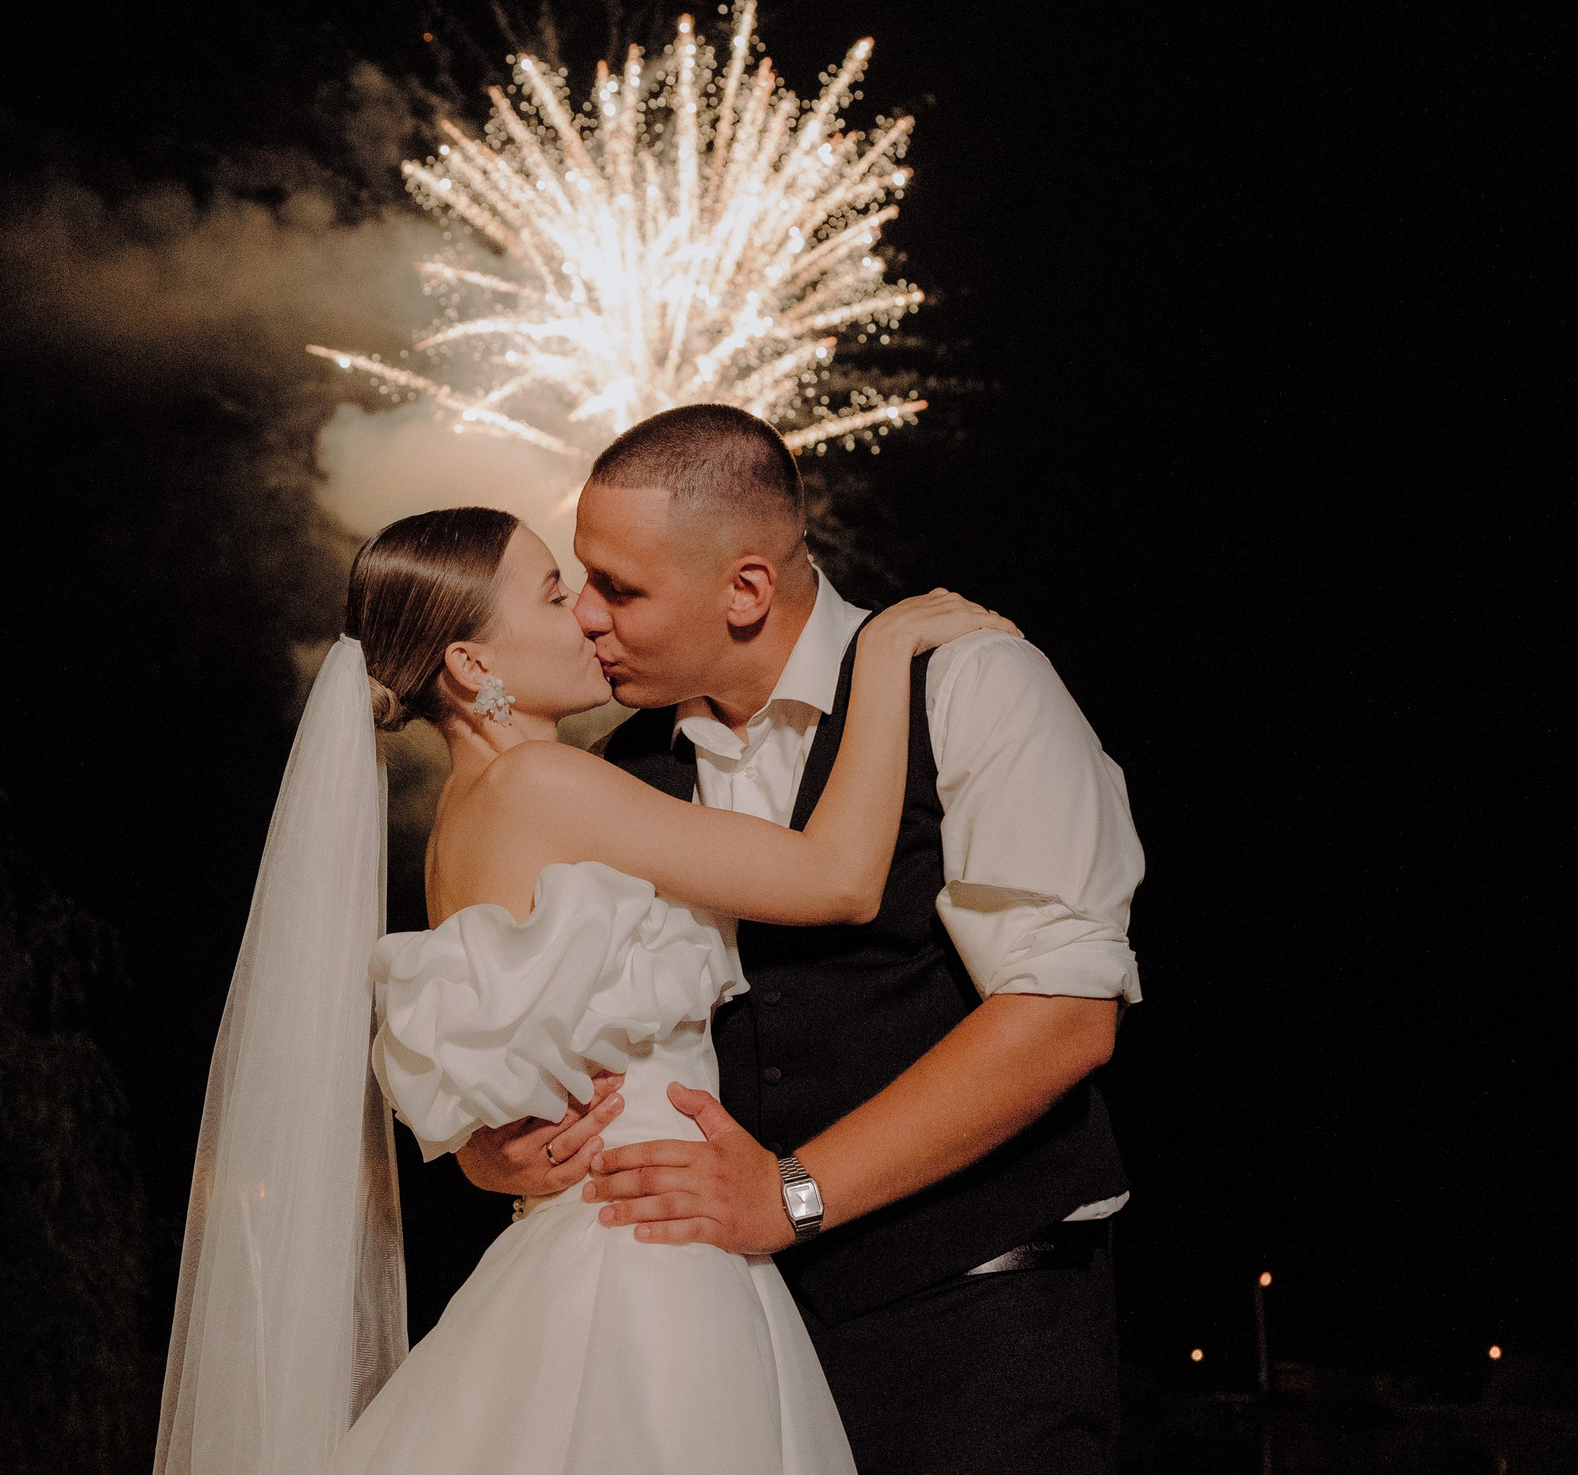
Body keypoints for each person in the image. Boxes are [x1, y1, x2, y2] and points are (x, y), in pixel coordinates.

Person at [154, 501, 1012, 1475]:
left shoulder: (464, 822)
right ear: (476, 666)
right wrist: (886, 650)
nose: (591, 617)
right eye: (556, 592)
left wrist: (491, 1154)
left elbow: (495, 1097)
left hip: (585, 1237)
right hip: (650, 1249)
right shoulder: (541, 786)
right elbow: (839, 877)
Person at [457, 405, 1146, 1474]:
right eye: (579, 579)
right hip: (725, 1341)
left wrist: (793, 1191)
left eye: (620, 587)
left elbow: (1061, 1019)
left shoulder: (973, 685)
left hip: (972, 1317)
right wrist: (497, 1146)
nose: (585, 614)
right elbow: (530, 1023)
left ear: (744, 588)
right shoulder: (614, 773)